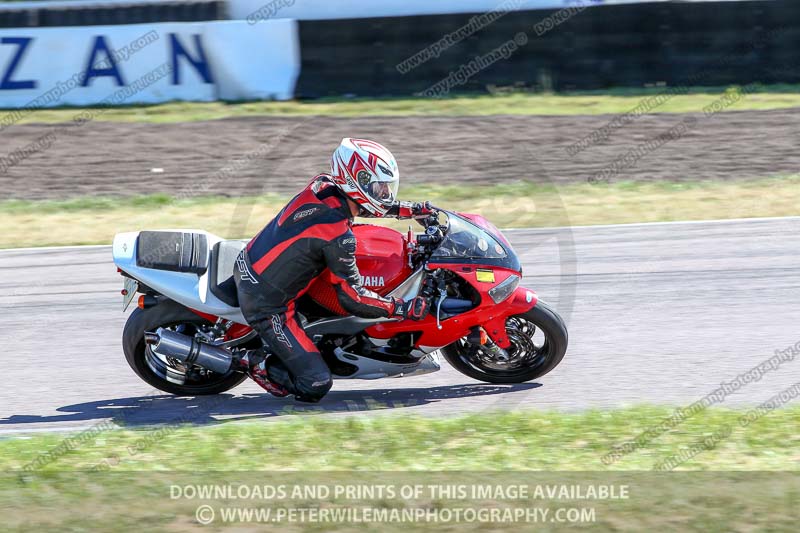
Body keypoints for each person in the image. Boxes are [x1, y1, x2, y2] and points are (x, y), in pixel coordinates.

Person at [233, 138, 432, 403]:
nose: (385, 193)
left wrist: (412, 210)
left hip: (253, 263)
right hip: (268, 305)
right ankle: (247, 360)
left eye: (387, 187)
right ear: (355, 181)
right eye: (379, 186)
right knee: (315, 383)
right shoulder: (338, 236)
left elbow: (365, 203)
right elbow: (354, 298)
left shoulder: (324, 184)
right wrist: (400, 308)